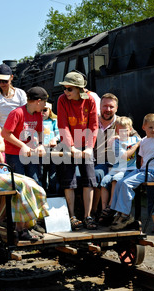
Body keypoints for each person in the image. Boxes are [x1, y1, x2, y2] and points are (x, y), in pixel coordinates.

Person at [0, 86, 48, 241]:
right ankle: (22, 229)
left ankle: (27, 225)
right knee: (22, 185)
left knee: (31, 182)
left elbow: (3, 144)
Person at [109, 113, 154, 231]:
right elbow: (131, 144)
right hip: (143, 170)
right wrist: (116, 137)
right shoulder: (143, 140)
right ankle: (117, 213)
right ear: (144, 128)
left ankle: (126, 215)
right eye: (151, 127)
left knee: (127, 184)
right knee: (121, 182)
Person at [57, 71, 98, 230]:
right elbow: (63, 125)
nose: (66, 92)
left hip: (86, 144)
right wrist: (71, 146)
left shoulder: (90, 100)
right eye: (65, 88)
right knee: (70, 181)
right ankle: (72, 215)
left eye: (69, 89)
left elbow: (93, 126)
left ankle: (88, 216)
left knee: (89, 180)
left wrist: (88, 147)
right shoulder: (62, 100)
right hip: (69, 145)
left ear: (79, 89)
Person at [91, 93, 140, 217]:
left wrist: (123, 137)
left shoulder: (120, 123)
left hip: (111, 162)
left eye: (111, 107)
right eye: (105, 106)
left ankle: (98, 212)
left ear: (116, 108)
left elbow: (137, 137)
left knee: (98, 175)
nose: (108, 110)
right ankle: (89, 213)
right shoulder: (92, 121)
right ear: (100, 107)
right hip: (92, 159)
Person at [1, 87, 47, 186]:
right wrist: (23, 146)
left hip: (31, 153)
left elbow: (40, 131)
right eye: (44, 102)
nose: (45, 106)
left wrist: (40, 144)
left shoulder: (38, 114)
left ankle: (34, 201)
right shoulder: (17, 113)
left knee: (35, 181)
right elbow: (5, 133)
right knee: (19, 183)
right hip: (14, 154)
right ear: (38, 101)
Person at [98, 116, 141, 225]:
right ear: (117, 130)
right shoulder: (116, 142)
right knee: (104, 180)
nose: (123, 133)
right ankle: (105, 210)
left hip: (130, 169)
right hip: (117, 168)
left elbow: (144, 140)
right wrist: (136, 146)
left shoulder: (135, 139)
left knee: (116, 179)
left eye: (125, 131)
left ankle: (112, 206)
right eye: (120, 131)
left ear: (130, 130)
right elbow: (125, 156)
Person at [0, 63, 27, 129]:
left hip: (18, 130)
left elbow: (25, 114)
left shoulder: (20, 93)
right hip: (2, 131)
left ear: (11, 77)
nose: (2, 84)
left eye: (5, 81)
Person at [41, 102, 60, 194]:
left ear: (50, 110)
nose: (42, 112)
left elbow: (59, 133)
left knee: (53, 171)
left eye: (45, 110)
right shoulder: (36, 120)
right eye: (40, 110)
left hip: (52, 149)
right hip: (40, 149)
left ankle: (53, 191)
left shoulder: (54, 120)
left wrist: (55, 139)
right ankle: (42, 190)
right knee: (41, 172)